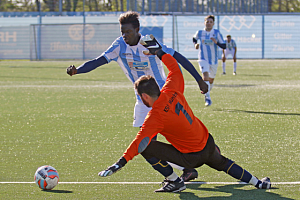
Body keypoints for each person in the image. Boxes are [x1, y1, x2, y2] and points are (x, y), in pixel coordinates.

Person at [98, 36, 271, 193]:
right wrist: (159, 52)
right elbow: (174, 67)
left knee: (147, 147)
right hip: (207, 143)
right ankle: (259, 183)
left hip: (191, 158)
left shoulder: (155, 117)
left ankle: (174, 181)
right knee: (223, 162)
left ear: (144, 96)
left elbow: (138, 143)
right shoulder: (171, 88)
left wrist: (119, 163)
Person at [66, 11, 208, 181]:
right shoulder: (119, 45)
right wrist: (78, 70)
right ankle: (185, 169)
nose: (125, 35)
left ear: (137, 29)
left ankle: (180, 171)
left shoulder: (148, 42)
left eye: (128, 32)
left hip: (162, 95)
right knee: (147, 143)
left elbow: (177, 58)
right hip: (143, 100)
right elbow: (98, 61)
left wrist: (199, 79)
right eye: (122, 32)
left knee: (150, 142)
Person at [193, 15, 226, 106]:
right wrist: (196, 44)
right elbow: (194, 38)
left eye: (211, 22)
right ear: (204, 23)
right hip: (203, 58)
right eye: (207, 22)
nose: (209, 23)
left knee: (211, 80)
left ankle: (207, 92)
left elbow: (224, 46)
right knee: (205, 76)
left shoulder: (216, 33)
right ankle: (208, 98)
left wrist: (216, 42)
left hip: (213, 60)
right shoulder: (200, 32)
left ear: (213, 24)